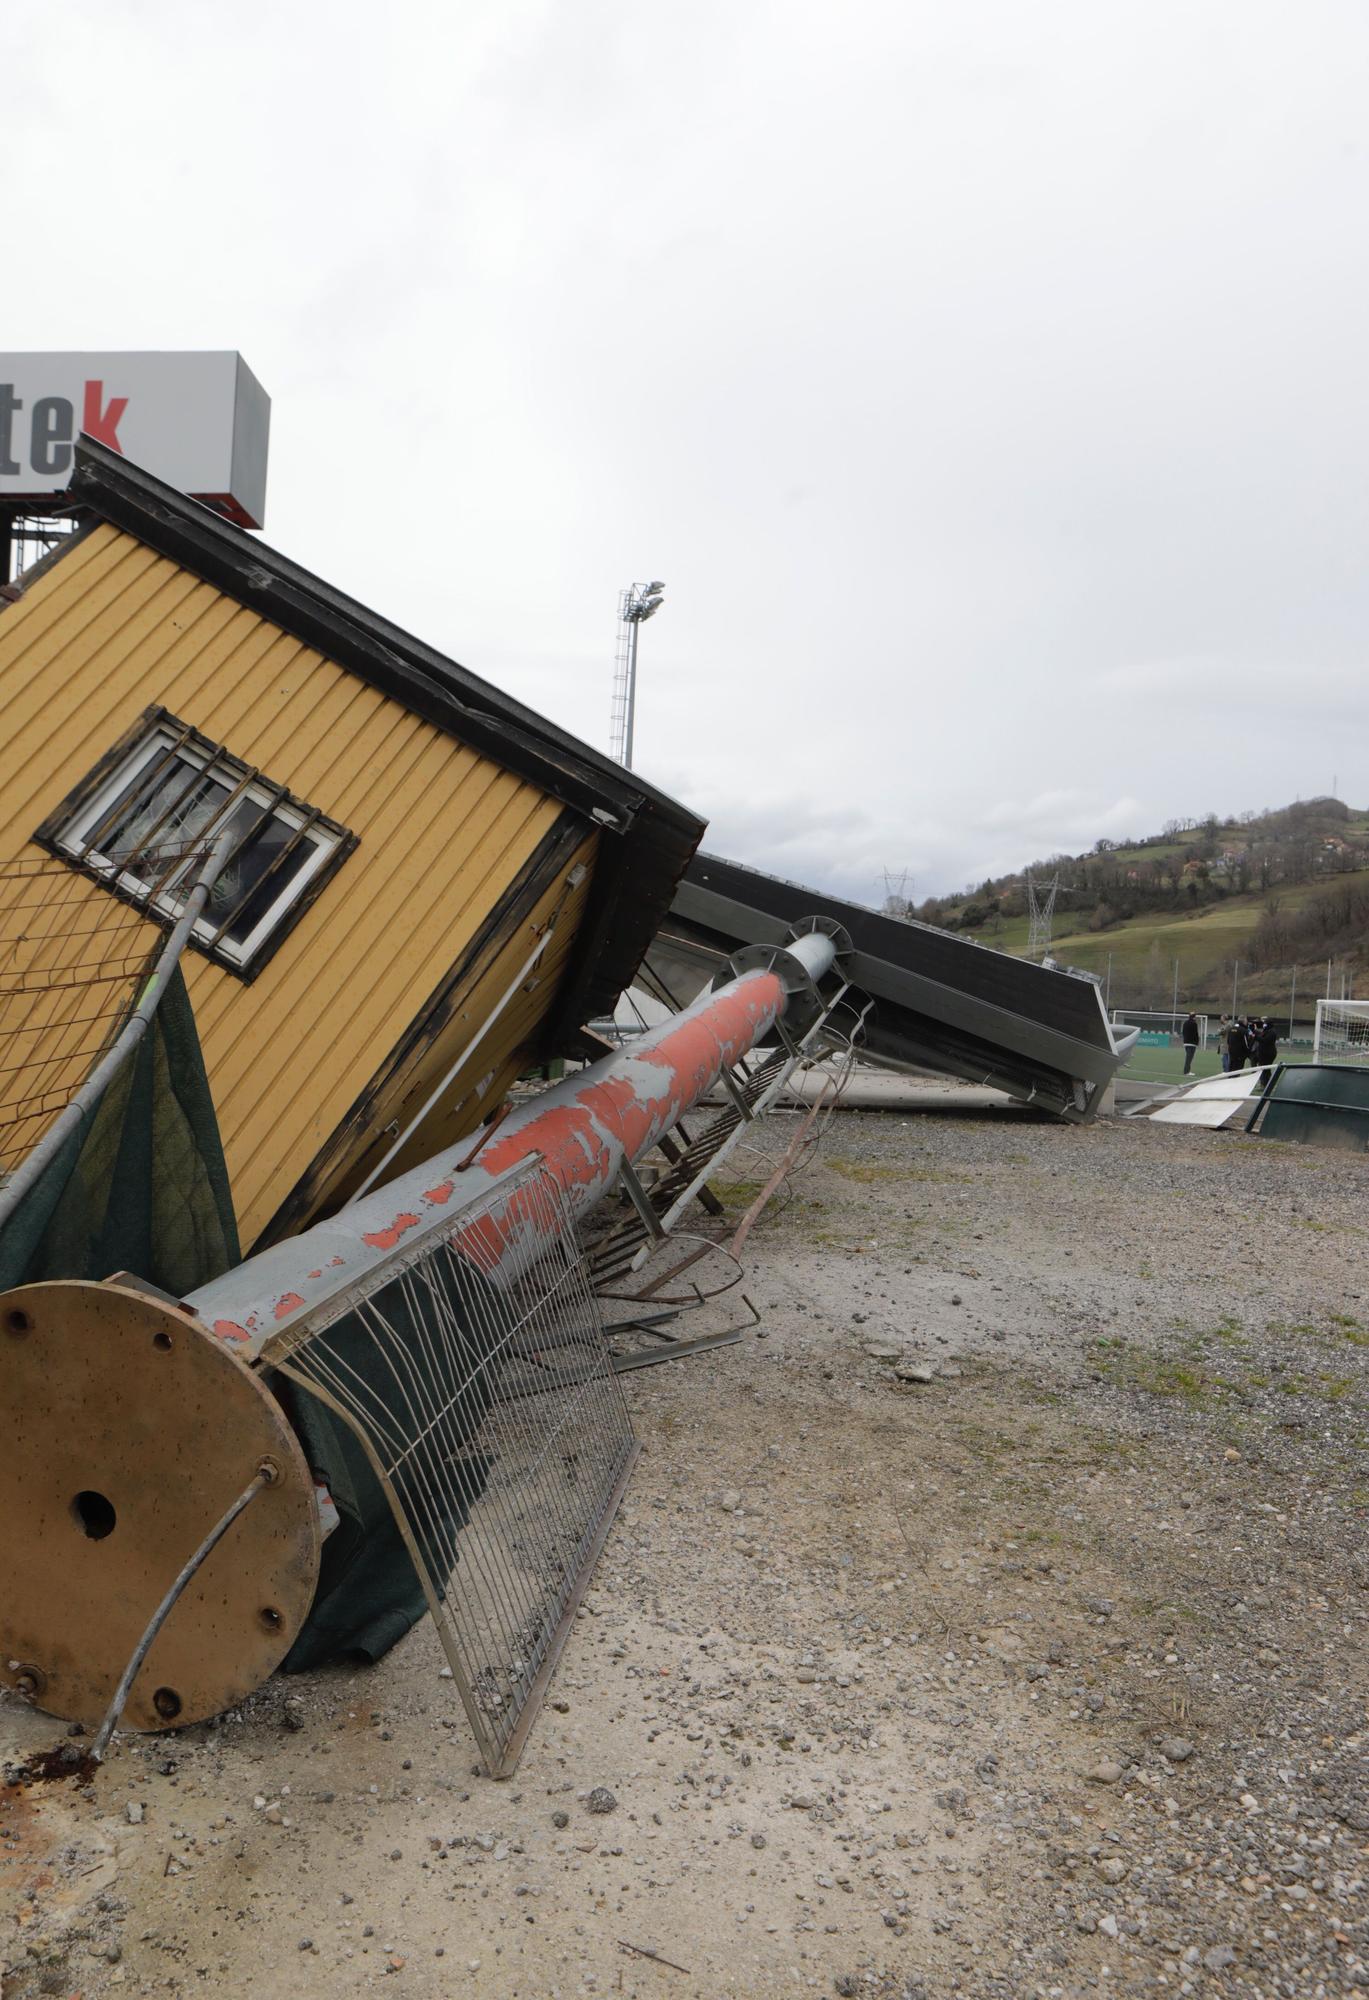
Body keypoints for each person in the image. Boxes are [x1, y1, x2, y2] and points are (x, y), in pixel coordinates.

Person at [1181, 1010, 1201, 1075]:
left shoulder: (1185, 1023)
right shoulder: (1194, 1023)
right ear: (1194, 1017)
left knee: (1188, 1057)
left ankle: (1187, 1070)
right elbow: (1196, 1034)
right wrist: (1197, 1042)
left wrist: (1185, 1040)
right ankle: (1186, 1071)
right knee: (1189, 1058)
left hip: (1186, 1042)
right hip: (1192, 1043)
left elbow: (1183, 1032)